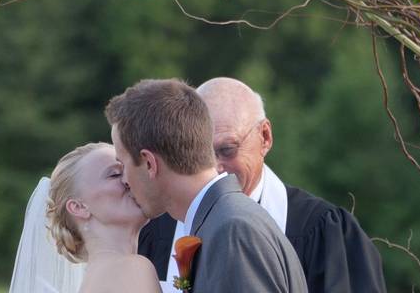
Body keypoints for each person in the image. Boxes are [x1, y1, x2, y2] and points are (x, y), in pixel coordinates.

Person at [138, 77, 387, 293]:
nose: (214, 167)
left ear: (265, 137)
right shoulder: (160, 228)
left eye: (227, 149)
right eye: (200, 152)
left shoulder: (322, 233)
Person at [107, 79, 308, 293]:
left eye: (123, 163)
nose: (125, 181)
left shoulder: (232, 233)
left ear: (149, 163)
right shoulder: (223, 221)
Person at [9, 142, 160, 293]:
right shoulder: (131, 268)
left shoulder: (96, 278)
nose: (129, 179)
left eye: (129, 169)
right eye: (114, 174)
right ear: (78, 207)